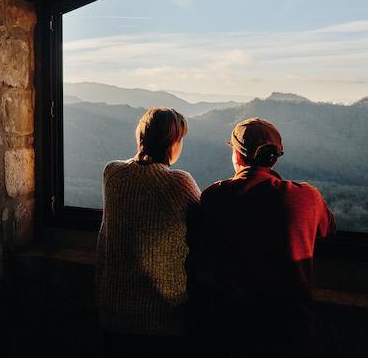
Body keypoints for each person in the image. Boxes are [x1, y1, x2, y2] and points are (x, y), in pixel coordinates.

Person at [192, 117, 335, 358]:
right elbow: (328, 229)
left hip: (230, 326)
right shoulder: (307, 197)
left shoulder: (215, 196)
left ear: (237, 156)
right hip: (290, 328)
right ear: (275, 156)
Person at [96, 107, 201, 358]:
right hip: (162, 319)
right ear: (172, 142)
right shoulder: (178, 182)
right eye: (180, 139)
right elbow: (206, 223)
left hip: (113, 313)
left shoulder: (112, 173)